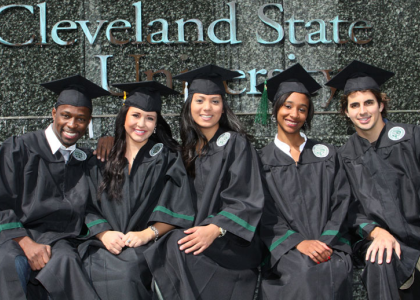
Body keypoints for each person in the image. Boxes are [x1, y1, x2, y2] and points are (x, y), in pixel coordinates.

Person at [142, 64, 265, 300]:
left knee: (174, 244)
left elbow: (246, 197)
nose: (207, 107)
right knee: (167, 244)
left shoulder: (236, 143)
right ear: (189, 106)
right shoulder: (188, 150)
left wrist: (215, 228)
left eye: (215, 101)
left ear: (223, 108)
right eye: (199, 100)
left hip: (230, 240)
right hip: (198, 237)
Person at [78, 81, 195, 300]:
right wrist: (103, 233)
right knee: (84, 267)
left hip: (146, 247)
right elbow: (86, 205)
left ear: (156, 123)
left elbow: (178, 206)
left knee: (127, 272)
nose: (142, 123)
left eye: (150, 118)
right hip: (103, 244)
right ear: (124, 118)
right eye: (136, 115)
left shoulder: (168, 158)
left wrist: (146, 234)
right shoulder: (102, 159)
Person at [0, 75, 109, 300]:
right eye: (66, 116)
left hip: (60, 240)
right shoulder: (18, 149)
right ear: (53, 114)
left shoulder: (86, 159)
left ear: (89, 122)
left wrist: (114, 138)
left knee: (68, 265)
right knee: (10, 263)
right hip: (15, 234)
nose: (72, 124)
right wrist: (24, 242)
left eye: (81, 119)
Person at [255, 63, 353, 299]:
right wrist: (297, 242)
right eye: (288, 106)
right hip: (284, 248)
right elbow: (264, 212)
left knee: (328, 268)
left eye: (302, 109)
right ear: (276, 108)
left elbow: (342, 201)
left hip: (331, 243)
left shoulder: (326, 154)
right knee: (302, 272)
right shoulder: (261, 160)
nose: (294, 115)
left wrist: (324, 241)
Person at [326, 60, 420, 300]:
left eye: (369, 102)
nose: (362, 111)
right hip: (381, 238)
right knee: (379, 258)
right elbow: (346, 208)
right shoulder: (344, 157)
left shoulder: (411, 138)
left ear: (381, 105)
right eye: (354, 105)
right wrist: (375, 231)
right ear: (346, 112)